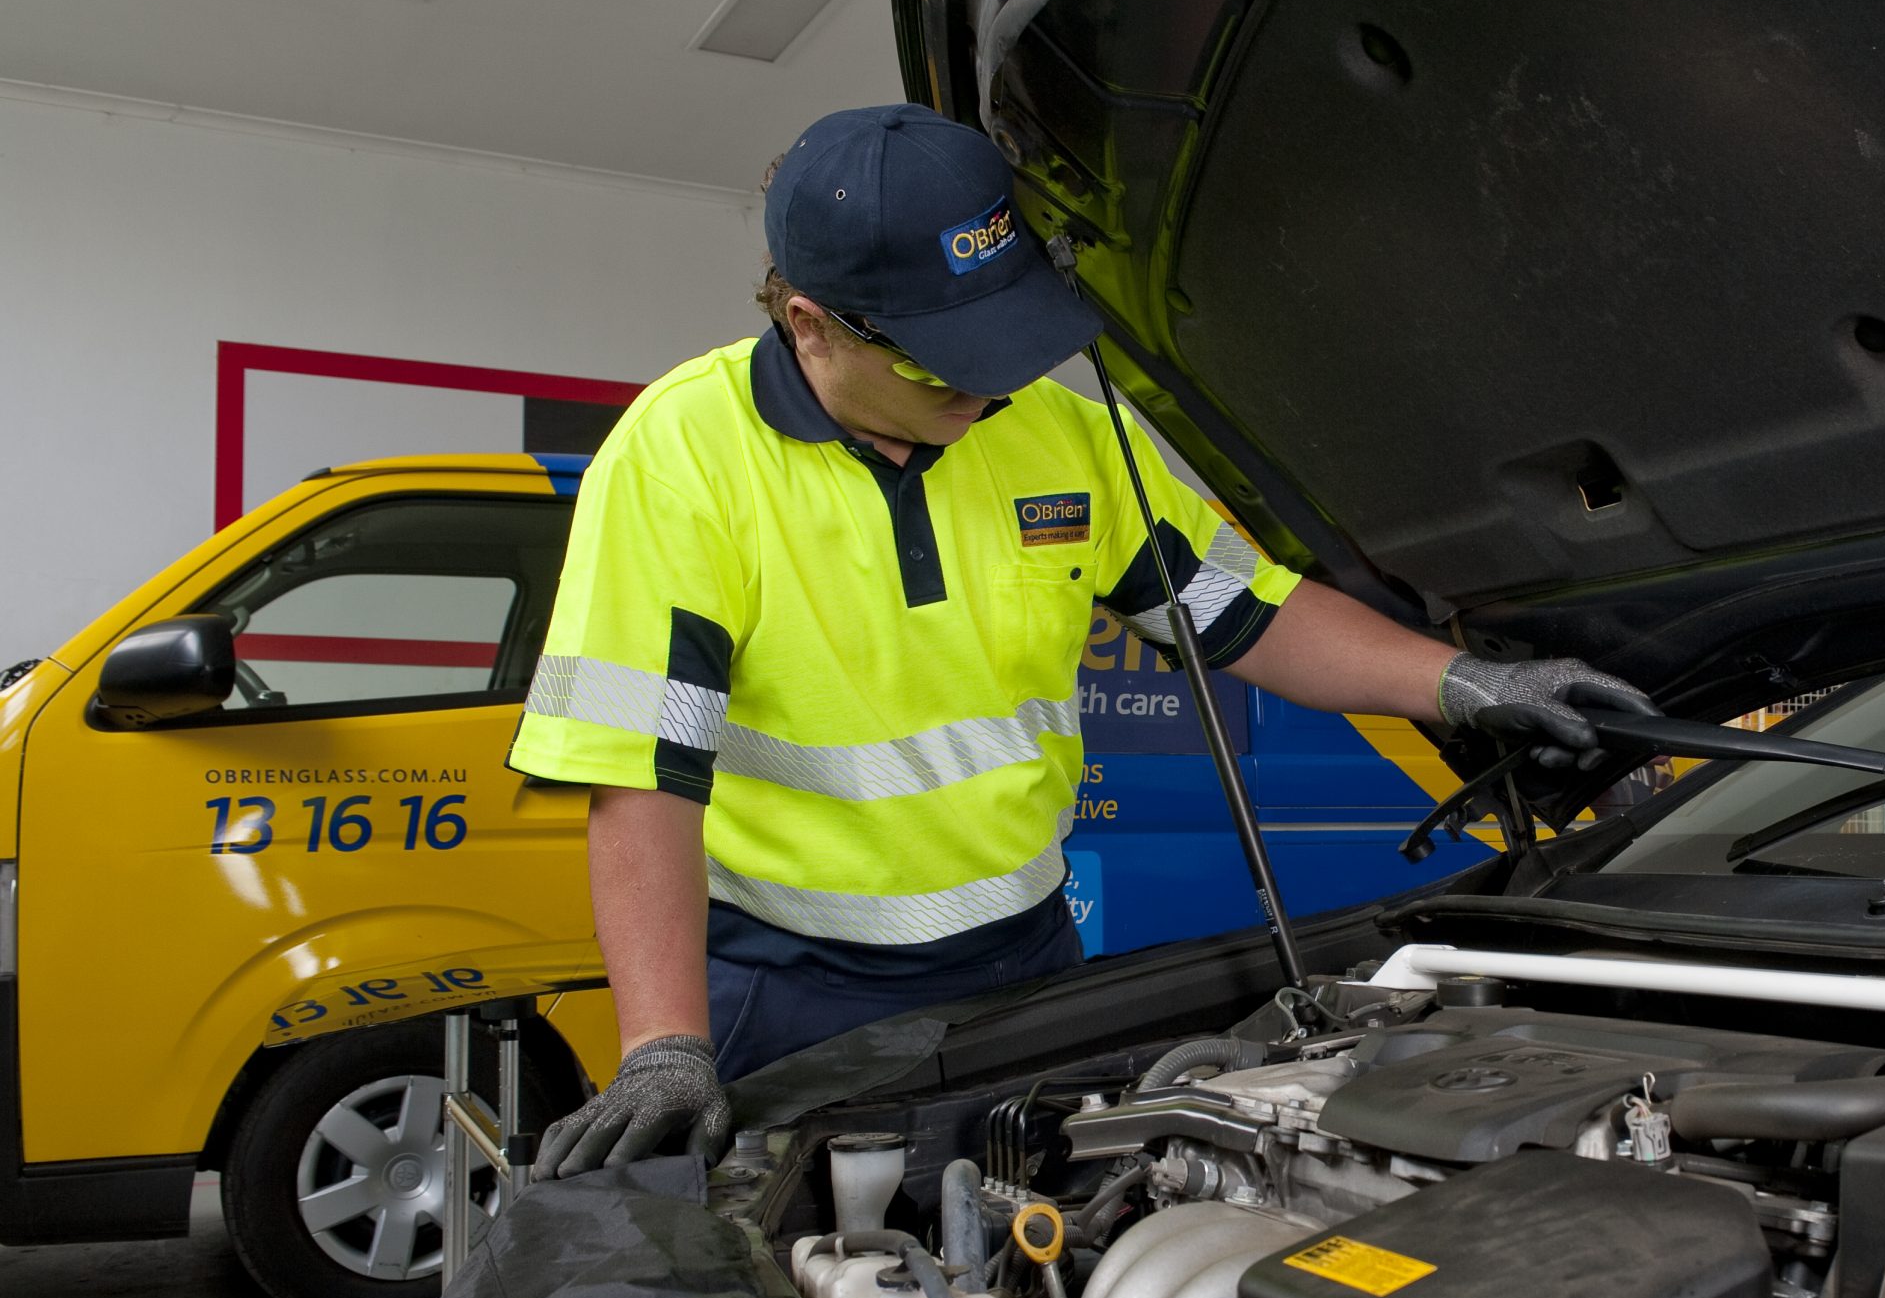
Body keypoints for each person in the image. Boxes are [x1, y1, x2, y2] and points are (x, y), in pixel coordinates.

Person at [514, 104, 1653, 1179]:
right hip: (793, 984)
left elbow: (1244, 613)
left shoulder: (1064, 435)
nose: (994, 386)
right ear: (807, 319)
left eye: (1004, 335)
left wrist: (1465, 682)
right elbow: (639, 774)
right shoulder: (682, 457)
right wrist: (666, 1042)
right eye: (942, 357)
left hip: (1029, 960)